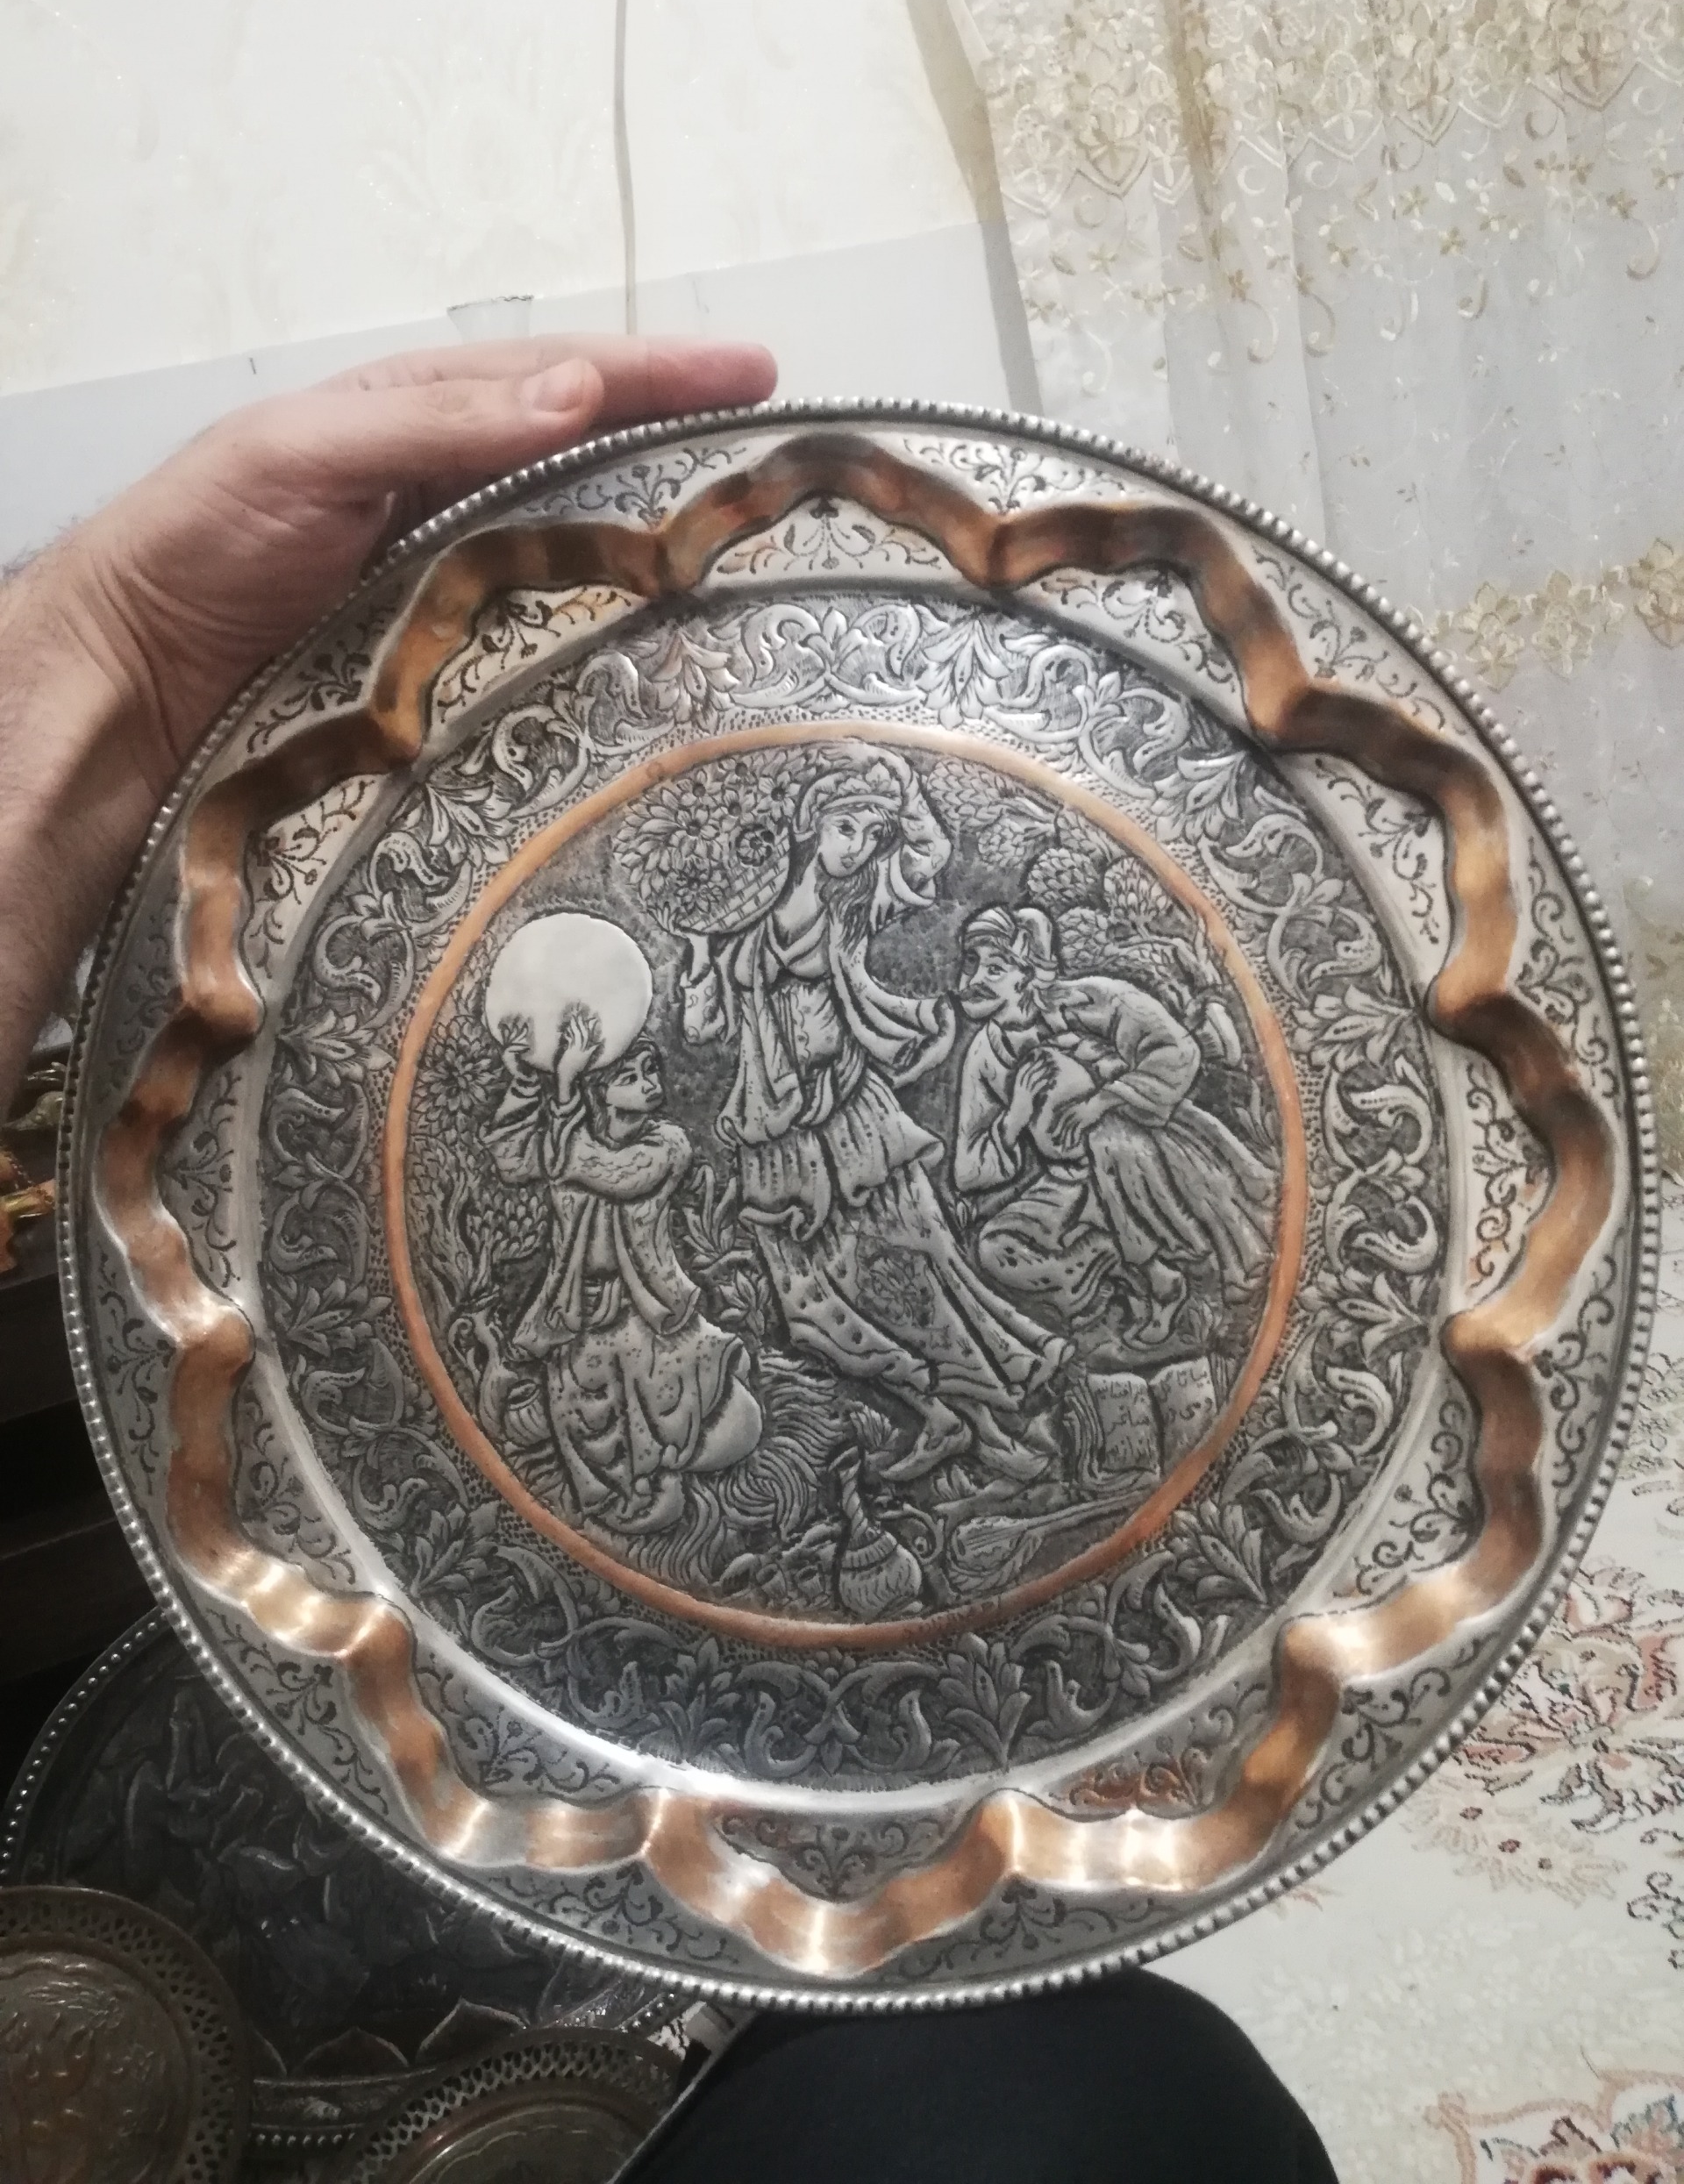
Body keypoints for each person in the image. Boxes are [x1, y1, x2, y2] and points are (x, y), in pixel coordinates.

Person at [0, 332, 1338, 2182]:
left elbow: (877, 1042)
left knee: (1126, 2100)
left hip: (828, 1217)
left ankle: (995, 1423)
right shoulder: (718, 1023)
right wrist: (107, 651)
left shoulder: (858, 989)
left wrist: (125, 663)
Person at [678, 746, 1064, 1487]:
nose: (858, 847)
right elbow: (700, 1031)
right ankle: (938, 1414)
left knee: (917, 1275)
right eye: (846, 828)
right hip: (777, 1142)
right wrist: (699, 950)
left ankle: (992, 1431)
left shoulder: (856, 902)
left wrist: (900, 781)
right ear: (808, 824)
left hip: (857, 1120)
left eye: (871, 834)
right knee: (810, 1311)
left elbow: (929, 853)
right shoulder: (741, 932)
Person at [954, 903, 1274, 1358]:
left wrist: (1101, 1102)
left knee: (1113, 1142)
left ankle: (1164, 1281)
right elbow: (968, 1173)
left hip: (1145, 1157)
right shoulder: (985, 1057)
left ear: (1027, 974)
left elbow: (1177, 1050)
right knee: (996, 1251)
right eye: (972, 965)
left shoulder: (1093, 1000)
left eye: (994, 968)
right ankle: (1134, 1272)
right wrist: (1014, 1116)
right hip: (1067, 1182)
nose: (971, 981)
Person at [486, 1012, 761, 1531]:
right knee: (580, 1411)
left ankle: (667, 1483)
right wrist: (523, 1082)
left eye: (650, 1071)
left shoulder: (667, 1144)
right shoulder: (570, 1137)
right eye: (629, 1077)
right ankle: (623, 1499)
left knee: (669, 1402)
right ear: (603, 1092)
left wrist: (563, 1090)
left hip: (646, 1306)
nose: (649, 1084)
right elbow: (512, 1159)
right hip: (577, 1307)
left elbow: (613, 1175)